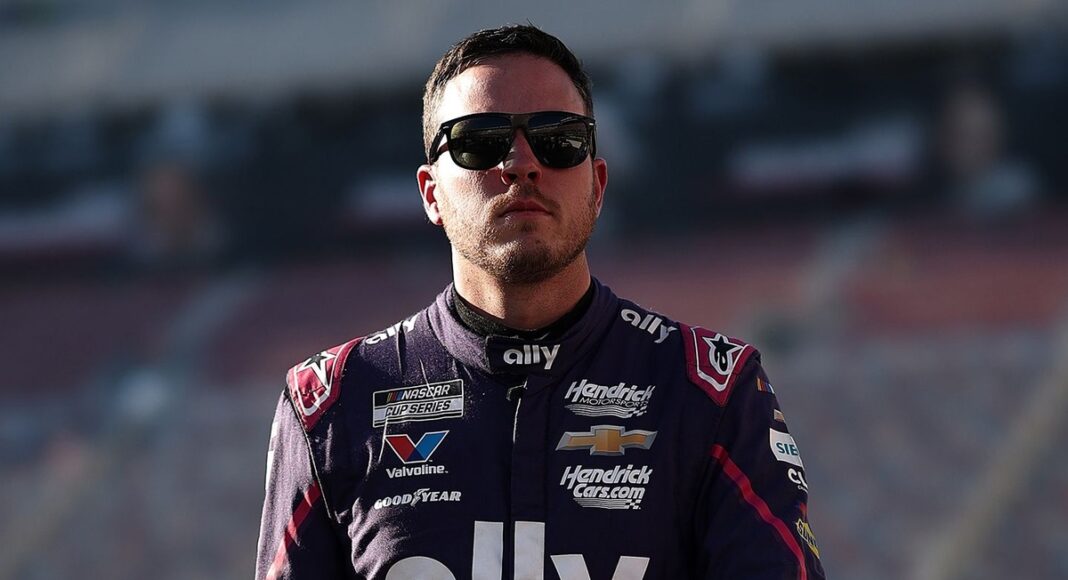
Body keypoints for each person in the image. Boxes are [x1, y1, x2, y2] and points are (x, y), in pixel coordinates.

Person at [255, 24, 825, 580]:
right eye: (480, 141)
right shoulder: (330, 404)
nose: (522, 164)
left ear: (597, 185)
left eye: (558, 139)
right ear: (431, 193)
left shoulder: (712, 391)